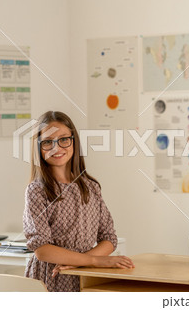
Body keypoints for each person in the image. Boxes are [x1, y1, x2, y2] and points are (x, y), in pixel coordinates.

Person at [23, 111, 134, 292]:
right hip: (50, 278)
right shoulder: (37, 191)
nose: (56, 148)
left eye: (64, 139)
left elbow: (109, 239)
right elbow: (41, 249)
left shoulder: (90, 187)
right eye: (47, 142)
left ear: (74, 141)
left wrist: (79, 264)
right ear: (39, 147)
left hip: (84, 275)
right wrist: (93, 260)